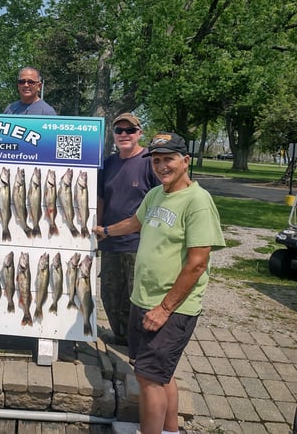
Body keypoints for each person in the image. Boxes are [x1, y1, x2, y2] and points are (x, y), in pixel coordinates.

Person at [94, 132, 225, 434]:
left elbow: (197, 263)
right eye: (156, 160)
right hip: (144, 300)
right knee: (161, 376)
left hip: (170, 308)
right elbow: (136, 221)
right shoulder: (157, 194)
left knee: (148, 380)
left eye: (169, 159)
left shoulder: (197, 202)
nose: (162, 166)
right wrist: (106, 230)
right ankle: (170, 431)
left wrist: (165, 309)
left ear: (185, 161)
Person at [97, 113, 159, 345]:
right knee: (110, 294)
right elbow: (101, 198)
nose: (124, 135)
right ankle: (121, 336)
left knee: (138, 298)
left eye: (130, 130)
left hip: (138, 244)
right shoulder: (109, 163)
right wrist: (99, 231)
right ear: (113, 135)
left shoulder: (149, 162)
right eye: (119, 131)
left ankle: (141, 345)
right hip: (110, 241)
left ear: (140, 133)